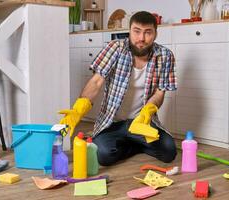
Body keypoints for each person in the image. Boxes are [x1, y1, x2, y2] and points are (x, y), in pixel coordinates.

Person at [59, 11, 177, 166]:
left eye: (148, 32)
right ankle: (134, 145)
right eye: (136, 31)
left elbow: (160, 93)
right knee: (103, 156)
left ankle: (131, 141)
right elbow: (96, 82)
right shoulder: (115, 48)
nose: (141, 38)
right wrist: (78, 110)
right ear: (129, 31)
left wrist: (146, 113)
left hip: (141, 124)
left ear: (155, 33)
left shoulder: (165, 55)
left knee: (169, 152)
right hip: (112, 122)